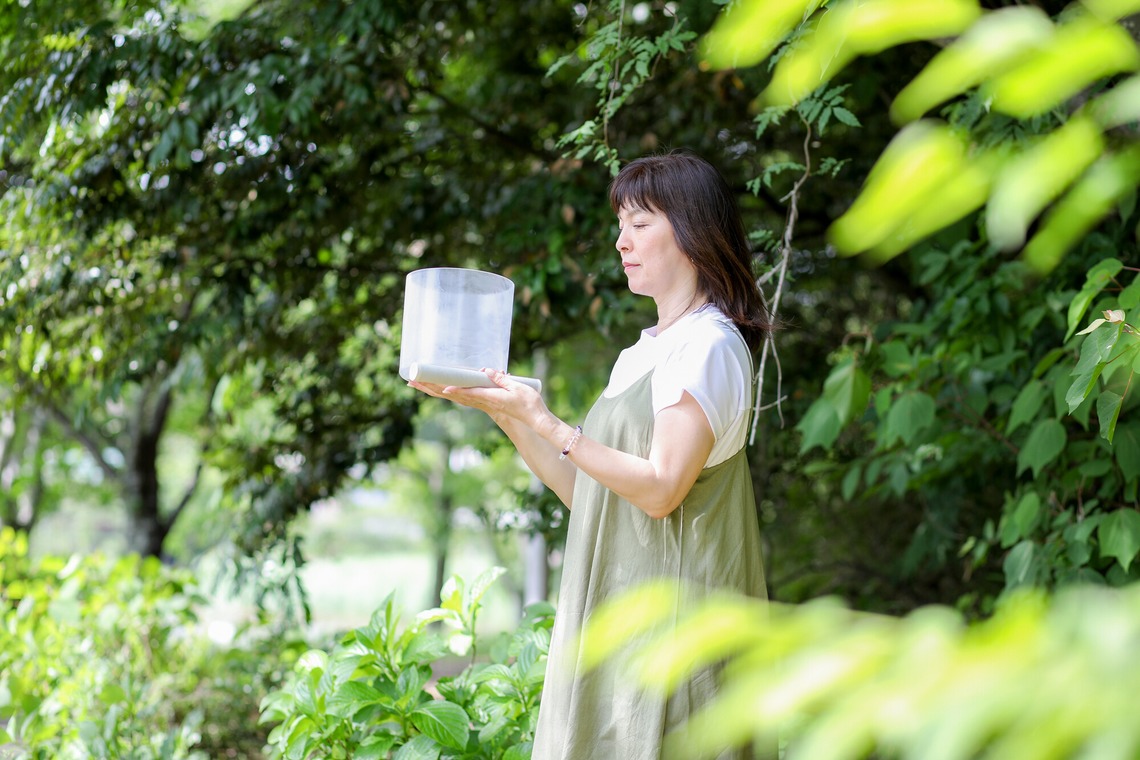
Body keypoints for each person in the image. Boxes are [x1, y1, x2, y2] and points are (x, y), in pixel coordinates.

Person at [409, 150, 770, 759]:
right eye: (619, 225)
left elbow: (659, 489)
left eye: (639, 223)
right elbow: (590, 495)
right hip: (618, 615)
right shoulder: (645, 353)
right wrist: (506, 411)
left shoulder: (709, 344)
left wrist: (551, 423)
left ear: (691, 232)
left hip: (676, 624)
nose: (620, 240)